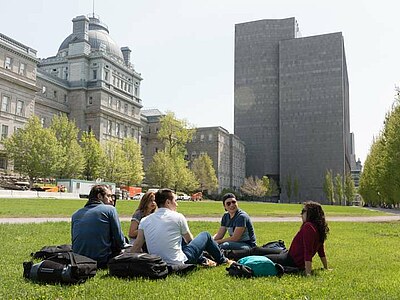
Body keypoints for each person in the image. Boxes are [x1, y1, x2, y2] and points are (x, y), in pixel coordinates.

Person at [130, 188, 232, 266]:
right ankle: (223, 260)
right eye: (175, 201)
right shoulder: (178, 217)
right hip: (178, 262)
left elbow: (137, 245)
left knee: (179, 238)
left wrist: (126, 258)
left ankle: (205, 260)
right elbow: (190, 241)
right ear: (168, 202)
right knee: (205, 235)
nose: (177, 204)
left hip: (157, 262)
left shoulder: (145, 220)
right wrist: (199, 256)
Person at [266, 201, 330, 276]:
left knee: (262, 259)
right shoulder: (317, 228)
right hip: (287, 253)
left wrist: (308, 273)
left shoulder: (308, 227)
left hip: (290, 260)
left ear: (311, 213)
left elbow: (308, 252)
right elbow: (321, 251)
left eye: (303, 211)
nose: (301, 214)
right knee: (258, 250)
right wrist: (326, 267)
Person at [71, 185, 127, 268]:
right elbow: (120, 240)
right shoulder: (110, 210)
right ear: (100, 196)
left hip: (78, 259)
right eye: (108, 196)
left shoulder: (76, 214)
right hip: (101, 260)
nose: (111, 199)